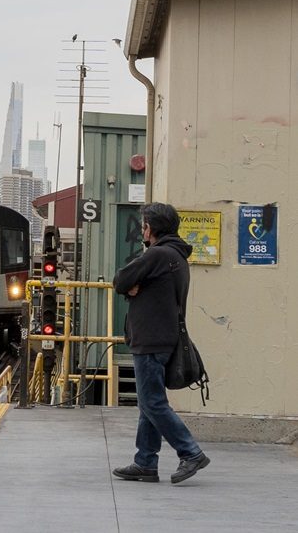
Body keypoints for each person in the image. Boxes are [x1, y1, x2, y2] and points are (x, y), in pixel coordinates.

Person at [112, 202, 210, 484]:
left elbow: (120, 280)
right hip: (163, 339)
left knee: (153, 403)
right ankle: (145, 462)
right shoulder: (177, 256)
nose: (142, 229)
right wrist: (135, 289)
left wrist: (130, 288)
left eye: (144, 225)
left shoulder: (157, 255)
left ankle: (190, 452)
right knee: (148, 403)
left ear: (151, 228)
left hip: (151, 340)